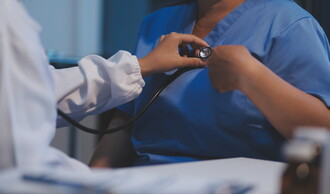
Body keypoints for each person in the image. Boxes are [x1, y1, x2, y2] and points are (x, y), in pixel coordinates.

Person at [90, 0, 330, 168]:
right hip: (146, 189)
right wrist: (90, 186)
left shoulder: (288, 25)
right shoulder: (156, 24)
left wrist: (253, 77)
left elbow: (327, 138)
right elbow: (124, 121)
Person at [0, 0, 208, 171]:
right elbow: (15, 152)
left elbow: (34, 92)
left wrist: (141, 66)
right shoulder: (156, 25)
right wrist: (95, 183)